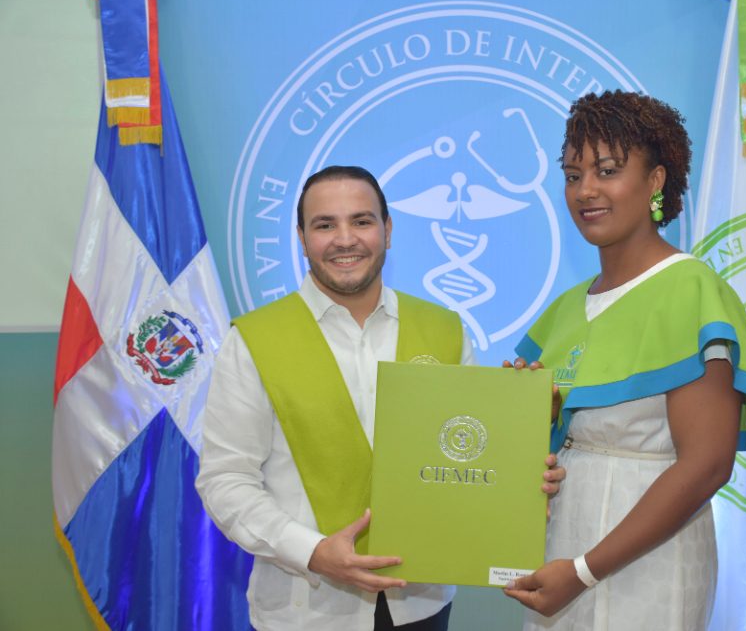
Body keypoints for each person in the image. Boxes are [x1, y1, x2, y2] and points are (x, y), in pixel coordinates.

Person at [196, 165, 564, 631]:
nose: (345, 239)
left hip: (422, 603)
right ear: (302, 238)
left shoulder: (445, 330)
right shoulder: (254, 341)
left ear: (387, 230)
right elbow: (225, 479)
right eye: (324, 225)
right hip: (306, 610)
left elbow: (469, 458)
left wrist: (523, 470)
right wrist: (312, 551)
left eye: (362, 221)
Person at [502, 91, 746, 630]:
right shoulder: (566, 308)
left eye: (607, 171)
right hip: (561, 551)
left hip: (648, 560)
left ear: (655, 181)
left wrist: (584, 571)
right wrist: (527, 419)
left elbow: (707, 465)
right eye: (573, 175)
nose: (586, 190)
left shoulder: (691, 290)